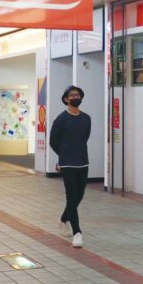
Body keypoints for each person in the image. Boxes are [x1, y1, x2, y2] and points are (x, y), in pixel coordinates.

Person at [50, 85, 91, 248]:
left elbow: (85, 137)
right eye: (72, 95)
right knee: (71, 197)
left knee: (79, 196)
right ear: (66, 99)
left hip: (83, 161)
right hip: (67, 163)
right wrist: (63, 156)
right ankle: (77, 233)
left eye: (78, 95)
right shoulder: (60, 119)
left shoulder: (86, 118)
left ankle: (63, 219)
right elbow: (53, 141)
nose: (75, 97)